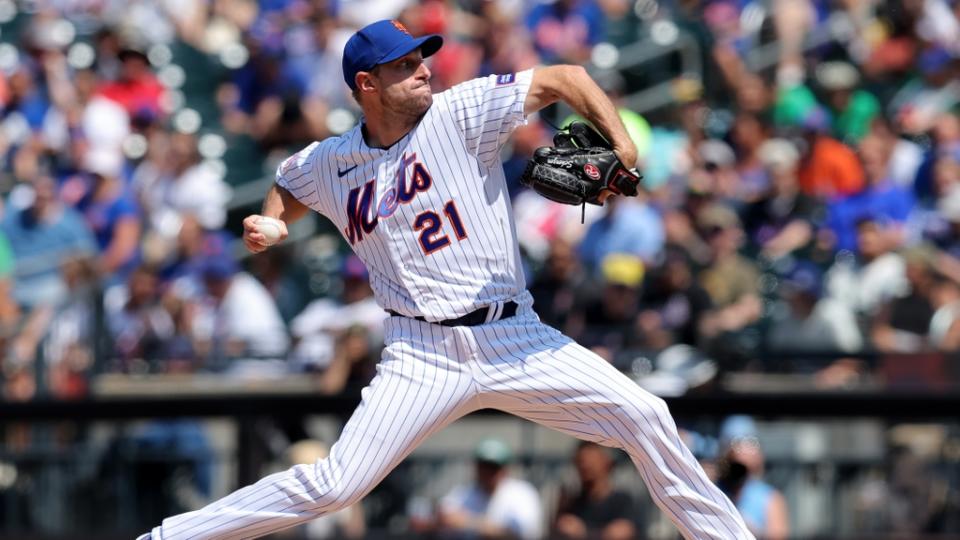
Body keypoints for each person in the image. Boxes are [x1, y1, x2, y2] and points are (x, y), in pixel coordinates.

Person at [138, 19, 753, 540]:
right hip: (419, 356)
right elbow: (287, 182)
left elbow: (567, 78)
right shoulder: (332, 161)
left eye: (422, 58)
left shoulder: (459, 112)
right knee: (334, 485)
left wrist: (625, 147)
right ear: (367, 84)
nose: (424, 70)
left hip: (514, 338)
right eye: (405, 65)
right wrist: (271, 223)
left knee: (646, 416)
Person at [435, 438, 544, 540]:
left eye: (493, 468)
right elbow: (441, 518)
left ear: (504, 469)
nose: (488, 473)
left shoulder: (522, 493)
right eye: (484, 466)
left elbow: (522, 533)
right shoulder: (463, 493)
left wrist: (469, 523)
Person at [553, 441, 641, 540]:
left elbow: (622, 533)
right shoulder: (573, 503)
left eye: (591, 461)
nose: (584, 466)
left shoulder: (622, 501)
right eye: (580, 461)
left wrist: (584, 532)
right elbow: (562, 528)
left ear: (606, 462)